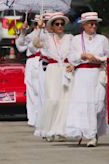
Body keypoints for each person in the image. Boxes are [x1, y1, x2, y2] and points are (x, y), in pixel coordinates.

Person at [65, 12, 109, 147]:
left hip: (98, 73)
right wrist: (82, 55)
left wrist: (98, 59)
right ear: (83, 25)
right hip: (83, 75)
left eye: (95, 23)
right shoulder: (76, 40)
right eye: (90, 23)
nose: (93, 25)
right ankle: (91, 135)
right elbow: (71, 57)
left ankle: (94, 131)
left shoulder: (103, 39)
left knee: (98, 105)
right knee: (85, 105)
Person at [33, 12, 74, 142]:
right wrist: (39, 28)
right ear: (52, 25)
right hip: (53, 70)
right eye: (57, 24)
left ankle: (62, 130)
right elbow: (35, 43)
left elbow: (75, 53)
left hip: (66, 70)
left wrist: (73, 64)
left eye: (62, 23)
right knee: (52, 99)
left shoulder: (69, 37)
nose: (60, 26)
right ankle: (49, 130)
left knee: (65, 100)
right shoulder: (47, 37)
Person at [15, 14, 42, 127]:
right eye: (35, 24)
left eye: (39, 24)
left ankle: (40, 117)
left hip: (40, 60)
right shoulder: (30, 35)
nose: (37, 26)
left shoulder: (47, 35)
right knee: (31, 91)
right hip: (31, 62)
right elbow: (20, 46)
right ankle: (32, 118)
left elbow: (33, 46)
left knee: (39, 90)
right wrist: (22, 32)